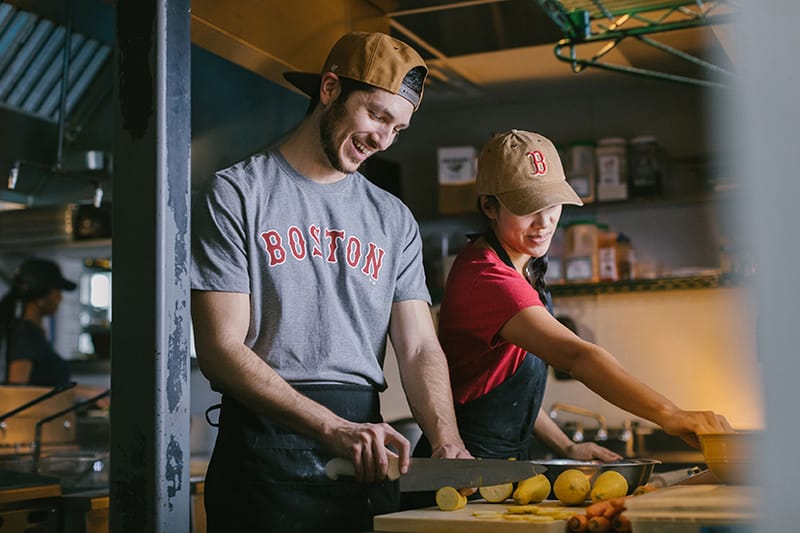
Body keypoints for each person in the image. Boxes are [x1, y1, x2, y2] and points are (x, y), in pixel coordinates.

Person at [190, 31, 470, 533]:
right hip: (262, 458)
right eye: (377, 115)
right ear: (329, 89)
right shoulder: (236, 194)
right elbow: (220, 349)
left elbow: (419, 346)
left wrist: (446, 438)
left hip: (364, 455)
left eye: (398, 128)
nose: (383, 139)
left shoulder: (393, 219)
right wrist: (332, 428)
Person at [436, 129, 732, 462]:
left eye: (552, 203)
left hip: (502, 469)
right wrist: (671, 415)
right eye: (527, 207)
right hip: (465, 472)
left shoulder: (523, 268)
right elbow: (577, 357)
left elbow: (506, 391)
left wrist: (566, 446)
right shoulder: (488, 277)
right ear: (489, 206)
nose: (545, 221)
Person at [0, 258, 109, 405]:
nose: (60, 297)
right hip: (33, 426)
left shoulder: (35, 333)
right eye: (56, 291)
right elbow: (18, 391)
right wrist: (84, 392)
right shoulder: (25, 335)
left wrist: (87, 391)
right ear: (40, 297)